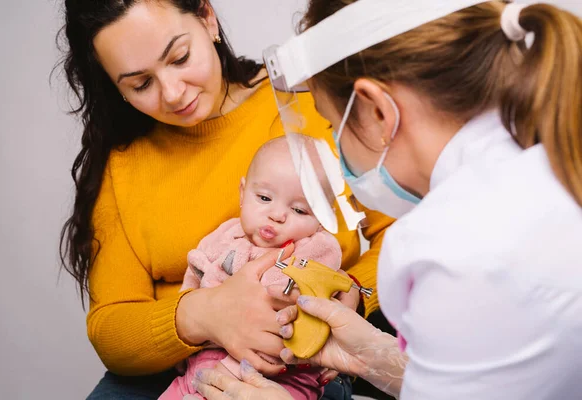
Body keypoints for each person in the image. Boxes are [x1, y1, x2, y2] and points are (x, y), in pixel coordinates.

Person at [189, 0, 582, 399]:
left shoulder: (446, 247)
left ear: (377, 110)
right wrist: (375, 359)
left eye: (330, 124)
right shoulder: (550, 164)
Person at [57, 0, 393, 398]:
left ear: (206, 17)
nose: (172, 92)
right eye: (140, 84)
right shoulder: (122, 163)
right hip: (170, 370)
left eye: (180, 57)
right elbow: (111, 327)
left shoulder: (305, 103)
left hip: (303, 360)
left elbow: (402, 233)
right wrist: (205, 313)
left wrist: (353, 292)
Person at [160, 137, 343, 400]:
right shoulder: (224, 235)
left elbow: (303, 313)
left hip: (279, 376)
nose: (277, 214)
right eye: (265, 197)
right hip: (201, 365)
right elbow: (192, 281)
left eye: (300, 210)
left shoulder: (315, 250)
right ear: (242, 194)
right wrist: (183, 350)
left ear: (324, 218)